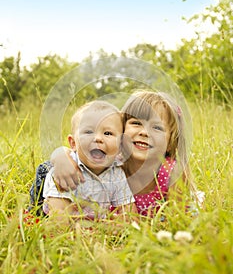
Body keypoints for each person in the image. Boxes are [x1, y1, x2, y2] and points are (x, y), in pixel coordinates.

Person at [30, 91, 204, 218]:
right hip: (58, 195)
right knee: (48, 169)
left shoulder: (172, 172)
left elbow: (177, 220)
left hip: (128, 222)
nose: (144, 132)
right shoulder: (112, 158)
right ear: (120, 131)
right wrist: (60, 156)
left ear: (170, 140)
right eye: (136, 123)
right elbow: (75, 151)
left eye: (157, 127)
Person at [40, 100, 137, 222]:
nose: (97, 138)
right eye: (88, 132)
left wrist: (120, 225)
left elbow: (130, 215)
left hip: (95, 227)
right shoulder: (65, 171)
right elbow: (58, 218)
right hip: (64, 220)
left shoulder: (116, 173)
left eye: (107, 133)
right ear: (73, 143)